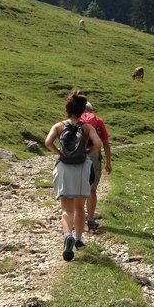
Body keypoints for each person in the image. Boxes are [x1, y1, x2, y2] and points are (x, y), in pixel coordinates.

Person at [44, 90, 102, 261]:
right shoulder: (87, 127)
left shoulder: (59, 126)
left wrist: (59, 152)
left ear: (67, 108)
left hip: (64, 167)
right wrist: (87, 151)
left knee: (66, 209)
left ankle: (67, 234)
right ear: (83, 110)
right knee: (79, 207)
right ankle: (78, 239)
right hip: (81, 168)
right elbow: (98, 144)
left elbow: (47, 143)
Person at [79, 101, 112, 231]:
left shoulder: (75, 120)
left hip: (77, 157)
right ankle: (91, 219)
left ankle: (77, 218)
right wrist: (108, 162)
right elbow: (105, 143)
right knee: (92, 189)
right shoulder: (98, 121)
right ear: (91, 110)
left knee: (78, 189)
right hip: (93, 157)